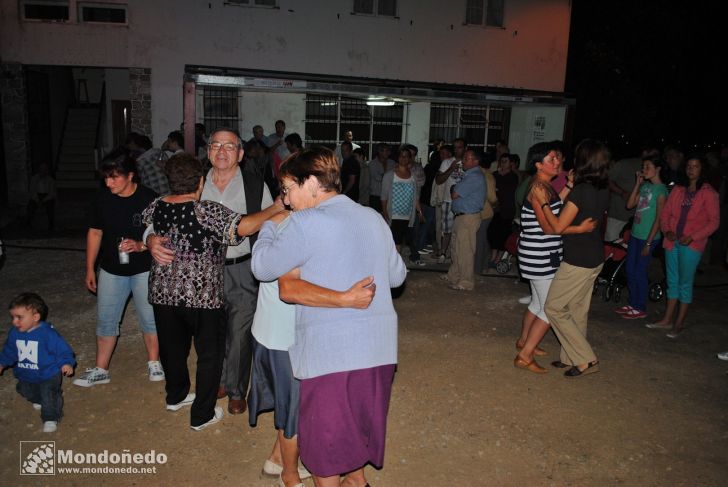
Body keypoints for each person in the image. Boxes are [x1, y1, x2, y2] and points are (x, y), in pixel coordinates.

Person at [251, 147, 407, 487]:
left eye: (289, 188)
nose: (287, 200)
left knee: (325, 452)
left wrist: (267, 228)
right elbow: (396, 277)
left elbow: (262, 268)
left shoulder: (305, 222)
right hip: (378, 351)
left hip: (331, 354)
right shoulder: (373, 217)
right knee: (354, 436)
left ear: (311, 183)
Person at [142, 153, 284, 431]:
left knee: (172, 349)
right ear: (200, 181)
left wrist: (148, 239)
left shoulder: (158, 205)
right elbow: (241, 227)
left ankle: (176, 396)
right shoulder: (205, 210)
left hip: (162, 293)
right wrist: (274, 208)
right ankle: (202, 414)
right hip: (202, 296)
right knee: (210, 354)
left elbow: (144, 223)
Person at [250, 210, 377, 487]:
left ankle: (277, 460)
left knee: (303, 405)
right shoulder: (285, 227)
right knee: (293, 411)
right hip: (284, 337)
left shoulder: (322, 224)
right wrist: (345, 298)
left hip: (308, 334)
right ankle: (290, 475)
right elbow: (287, 288)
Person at [74, 154, 162, 388]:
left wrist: (141, 245)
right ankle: (101, 369)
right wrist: (90, 269)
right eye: (105, 178)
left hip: (144, 268)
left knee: (150, 318)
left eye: (114, 178)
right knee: (106, 320)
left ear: (130, 175)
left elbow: (160, 235)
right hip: (112, 269)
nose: (108, 183)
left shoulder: (148, 198)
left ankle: (154, 362)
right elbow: (95, 233)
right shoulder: (102, 200)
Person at [514, 142, 594, 373]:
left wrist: (568, 186)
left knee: (539, 303)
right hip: (540, 253)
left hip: (539, 251)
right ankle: (525, 355)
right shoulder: (538, 188)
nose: (557, 162)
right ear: (538, 164)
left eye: (558, 158)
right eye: (551, 159)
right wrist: (580, 229)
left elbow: (553, 205)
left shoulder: (544, 186)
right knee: (551, 308)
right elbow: (550, 228)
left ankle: (524, 341)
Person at [536, 139, 611, 378]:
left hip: (578, 259)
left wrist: (543, 202)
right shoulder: (602, 187)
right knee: (576, 309)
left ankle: (586, 359)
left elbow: (557, 226)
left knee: (554, 307)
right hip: (593, 255)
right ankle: (571, 357)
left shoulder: (582, 190)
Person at [646, 155, 720, 337]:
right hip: (672, 242)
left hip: (691, 245)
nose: (691, 169)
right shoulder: (678, 190)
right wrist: (667, 230)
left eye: (695, 166)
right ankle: (667, 319)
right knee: (672, 282)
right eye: (689, 165)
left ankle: (679, 323)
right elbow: (665, 214)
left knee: (684, 283)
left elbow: (714, 222)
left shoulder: (709, 193)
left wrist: (693, 237)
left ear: (702, 169)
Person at [0, 293, 75, 433]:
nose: (14, 322)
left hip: (48, 373)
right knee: (23, 389)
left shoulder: (48, 334)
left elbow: (62, 350)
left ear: (35, 317)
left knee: (48, 394)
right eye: (13, 317)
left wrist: (66, 363)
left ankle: (51, 417)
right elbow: (9, 351)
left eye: (19, 317)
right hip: (26, 374)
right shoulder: (15, 333)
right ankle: (43, 399)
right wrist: (2, 363)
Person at [617, 156, 668, 320]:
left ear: (658, 168)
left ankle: (640, 307)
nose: (644, 169)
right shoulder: (645, 186)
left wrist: (648, 242)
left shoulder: (661, 190)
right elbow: (630, 205)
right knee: (630, 269)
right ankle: (633, 303)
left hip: (649, 238)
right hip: (635, 234)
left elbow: (659, 219)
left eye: (647, 166)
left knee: (640, 270)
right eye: (643, 166)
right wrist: (638, 184)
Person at [442, 149, 486, 290]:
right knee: (456, 249)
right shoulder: (470, 175)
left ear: (475, 161)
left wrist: (455, 188)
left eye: (466, 159)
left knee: (465, 250)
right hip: (462, 216)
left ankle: (466, 282)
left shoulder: (474, 176)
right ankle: (454, 276)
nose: (463, 161)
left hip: (468, 217)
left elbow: (455, 193)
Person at [381, 146, 423, 261]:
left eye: (406, 156)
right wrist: (385, 212)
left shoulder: (413, 176)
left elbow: (416, 197)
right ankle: (395, 268)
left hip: (408, 215)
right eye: (401, 156)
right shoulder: (390, 175)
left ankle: (397, 266)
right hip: (394, 214)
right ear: (397, 157)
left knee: (402, 241)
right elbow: (384, 196)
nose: (403, 158)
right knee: (396, 241)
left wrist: (420, 212)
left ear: (410, 158)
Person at [435, 138, 467, 263]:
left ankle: (456, 256)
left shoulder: (468, 162)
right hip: (448, 201)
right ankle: (443, 253)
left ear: (465, 148)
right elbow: (438, 180)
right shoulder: (447, 162)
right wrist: (451, 169)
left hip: (464, 202)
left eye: (459, 147)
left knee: (460, 231)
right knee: (446, 229)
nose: (456, 150)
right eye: (455, 147)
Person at [487, 152, 519, 267]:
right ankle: (493, 257)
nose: (503, 164)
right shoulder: (495, 174)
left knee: (503, 235)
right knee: (493, 233)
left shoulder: (513, 176)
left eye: (505, 161)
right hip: (496, 209)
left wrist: (498, 189)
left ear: (511, 163)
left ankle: (498, 259)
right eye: (501, 161)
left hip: (507, 210)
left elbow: (506, 191)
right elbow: (492, 190)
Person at [26, 162, 57, 231]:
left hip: (47, 196)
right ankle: (28, 222)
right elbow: (32, 191)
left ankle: (51, 223)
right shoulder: (34, 179)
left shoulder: (51, 180)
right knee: (31, 205)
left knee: (50, 205)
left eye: (44, 169)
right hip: (37, 196)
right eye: (41, 169)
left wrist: (43, 200)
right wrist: (37, 200)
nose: (43, 171)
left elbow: (52, 193)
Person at [368, 143, 395, 211]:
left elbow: (394, 178)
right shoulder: (372, 164)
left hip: (389, 196)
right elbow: (379, 178)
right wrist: (387, 174)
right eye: (386, 151)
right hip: (376, 196)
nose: (388, 153)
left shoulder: (392, 163)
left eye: (389, 151)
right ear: (379, 152)